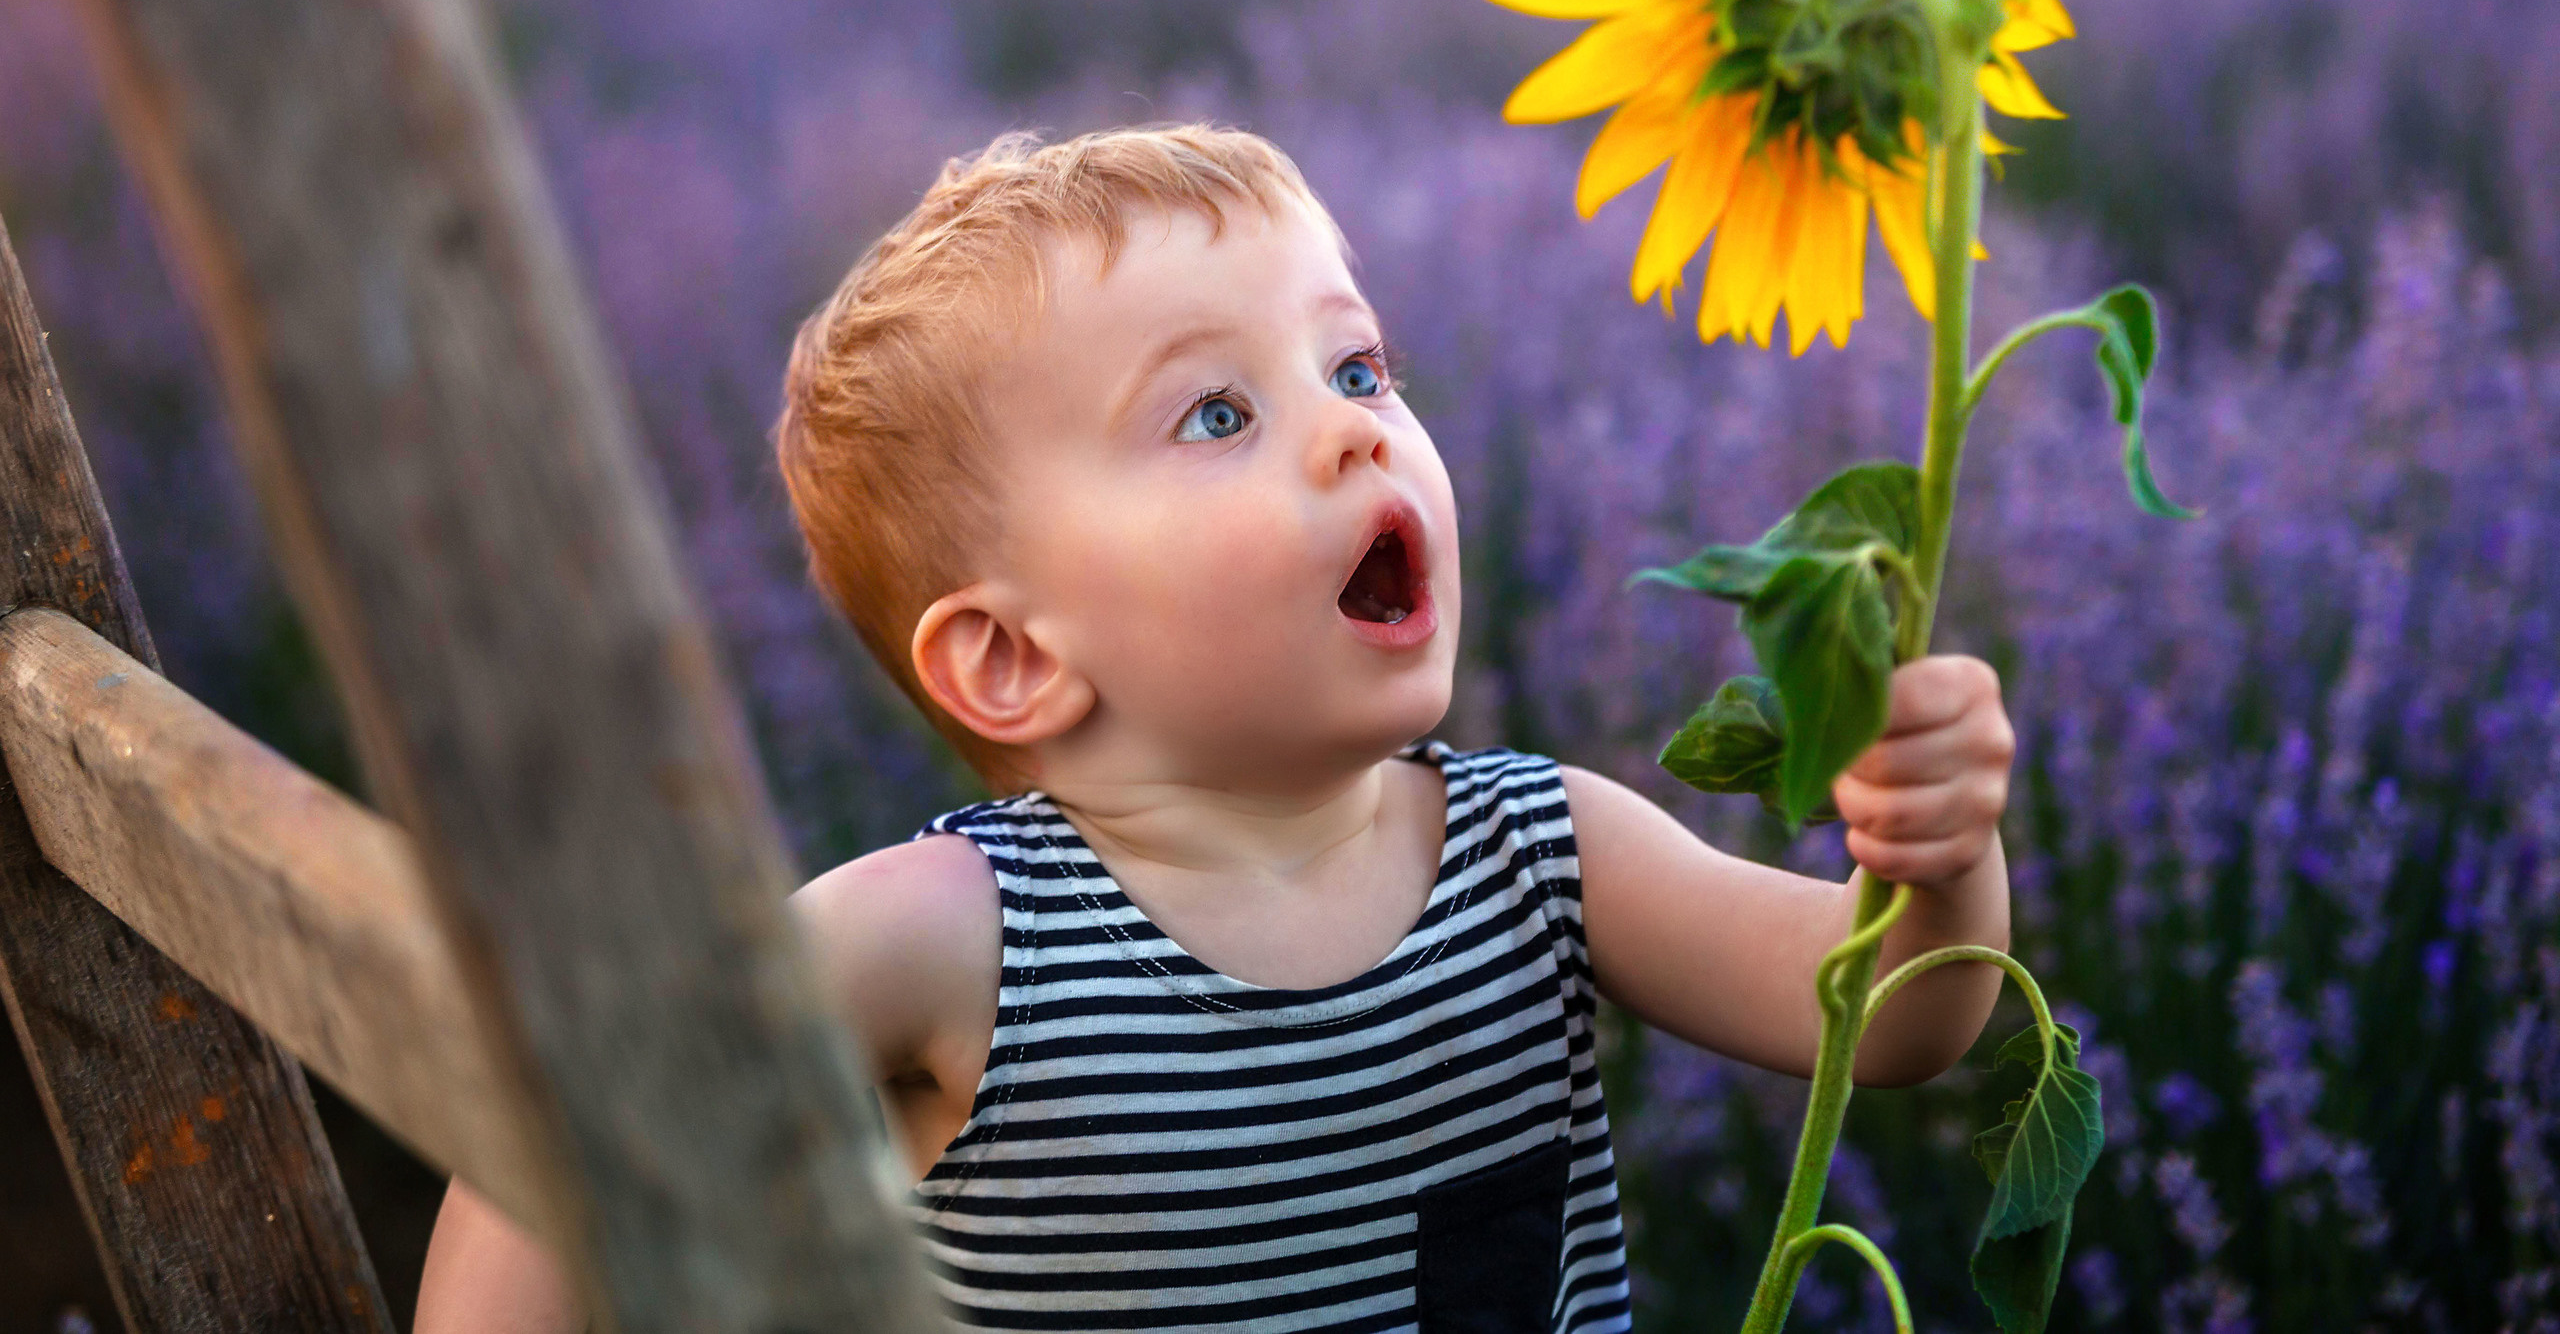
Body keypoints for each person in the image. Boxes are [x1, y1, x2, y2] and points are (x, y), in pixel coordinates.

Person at [415, 124, 2016, 1333]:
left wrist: (1931, 852)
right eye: (1219, 414)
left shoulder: (1544, 850)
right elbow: (573, 1114)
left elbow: (1895, 1025)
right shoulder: (960, 947)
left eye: (1360, 365)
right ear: (1010, 662)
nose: (1350, 433)